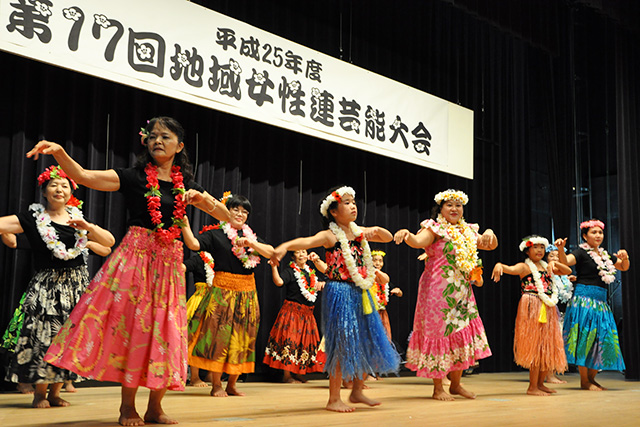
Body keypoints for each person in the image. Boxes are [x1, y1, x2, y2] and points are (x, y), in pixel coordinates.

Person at [29, 117, 229, 426]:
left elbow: (230, 218)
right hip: (136, 258)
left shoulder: (186, 185)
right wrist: (58, 153)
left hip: (169, 262)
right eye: (152, 137)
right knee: (137, 328)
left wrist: (204, 200)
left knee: (166, 330)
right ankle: (127, 407)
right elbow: (83, 175)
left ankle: (155, 407)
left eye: (165, 136)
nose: (157, 141)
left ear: (180, 145)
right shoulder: (134, 177)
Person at [271, 186, 401, 413]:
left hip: (362, 292)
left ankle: (357, 391)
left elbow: (387, 237)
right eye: (347, 202)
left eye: (354, 202)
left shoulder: (358, 232)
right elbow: (305, 241)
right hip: (340, 292)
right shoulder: (330, 235)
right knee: (342, 344)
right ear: (333, 211)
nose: (353, 206)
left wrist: (374, 230)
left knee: (365, 340)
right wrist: (284, 247)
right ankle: (333, 398)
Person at [0, 165, 115, 408]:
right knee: (45, 339)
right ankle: (40, 394)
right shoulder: (32, 219)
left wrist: (89, 228)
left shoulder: (78, 219)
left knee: (71, 339)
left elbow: (109, 243)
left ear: (71, 190)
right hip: (47, 286)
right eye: (53, 184)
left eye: (64, 185)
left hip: (76, 286)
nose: (59, 188)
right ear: (44, 191)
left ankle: (55, 392)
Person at [393, 189, 496, 401]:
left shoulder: (468, 230)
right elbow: (418, 241)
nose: (454, 209)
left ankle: (456, 385)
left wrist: (490, 234)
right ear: (440, 208)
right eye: (449, 205)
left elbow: (489, 245)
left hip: (462, 291)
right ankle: (438, 387)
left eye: (458, 205)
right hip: (437, 290)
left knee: (461, 333)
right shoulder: (435, 228)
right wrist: (407, 234)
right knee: (439, 333)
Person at [181, 194, 274, 397]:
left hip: (248, 292)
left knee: (243, 338)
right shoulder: (216, 234)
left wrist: (252, 244)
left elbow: (271, 252)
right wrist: (185, 224)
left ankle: (232, 384)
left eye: (244, 212)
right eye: (236, 210)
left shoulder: (251, 237)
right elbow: (194, 245)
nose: (240, 214)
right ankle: (216, 385)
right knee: (219, 337)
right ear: (226, 211)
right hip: (222, 291)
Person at [554, 219, 630, 391]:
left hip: (601, 303)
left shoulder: (606, 256)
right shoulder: (580, 253)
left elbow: (624, 267)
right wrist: (560, 249)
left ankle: (591, 378)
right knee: (585, 339)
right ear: (584, 236)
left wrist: (625, 258)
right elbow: (565, 262)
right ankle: (584, 381)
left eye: (600, 232)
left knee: (603, 339)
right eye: (593, 232)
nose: (598, 235)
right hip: (584, 301)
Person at [491, 235, 571, 396]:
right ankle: (532, 387)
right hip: (532, 305)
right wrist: (499, 265)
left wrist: (554, 263)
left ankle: (541, 384)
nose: (539, 250)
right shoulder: (524, 267)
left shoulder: (547, 266)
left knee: (546, 346)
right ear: (527, 250)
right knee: (536, 345)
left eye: (542, 247)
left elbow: (567, 270)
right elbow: (510, 269)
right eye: (535, 247)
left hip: (548, 306)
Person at [263, 249, 325, 383]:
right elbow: (279, 282)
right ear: (293, 257)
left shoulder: (311, 272)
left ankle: (299, 373)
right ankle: (287, 376)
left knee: (305, 344)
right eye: (298, 252)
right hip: (291, 313)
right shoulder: (290, 271)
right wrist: (274, 267)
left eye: (304, 252)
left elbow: (317, 286)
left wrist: (323, 284)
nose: (302, 254)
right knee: (290, 342)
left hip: (307, 314)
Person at [183, 246, 215, 388]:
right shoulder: (199, 259)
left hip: (216, 300)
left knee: (213, 339)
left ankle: (210, 374)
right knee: (195, 338)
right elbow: (185, 266)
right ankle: (194, 377)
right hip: (200, 299)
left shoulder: (221, 259)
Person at [544, 244, 576, 384]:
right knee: (551, 342)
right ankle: (549, 374)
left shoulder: (564, 275)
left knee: (560, 342)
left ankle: (554, 372)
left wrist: (568, 281)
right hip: (551, 309)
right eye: (552, 256)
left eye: (558, 256)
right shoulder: (546, 269)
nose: (555, 259)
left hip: (564, 310)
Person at [370, 250, 402, 342]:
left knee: (384, 337)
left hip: (382, 313)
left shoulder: (384, 279)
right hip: (370, 312)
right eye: (375, 260)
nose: (377, 263)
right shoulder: (367, 276)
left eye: (380, 261)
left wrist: (398, 291)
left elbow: (400, 293)